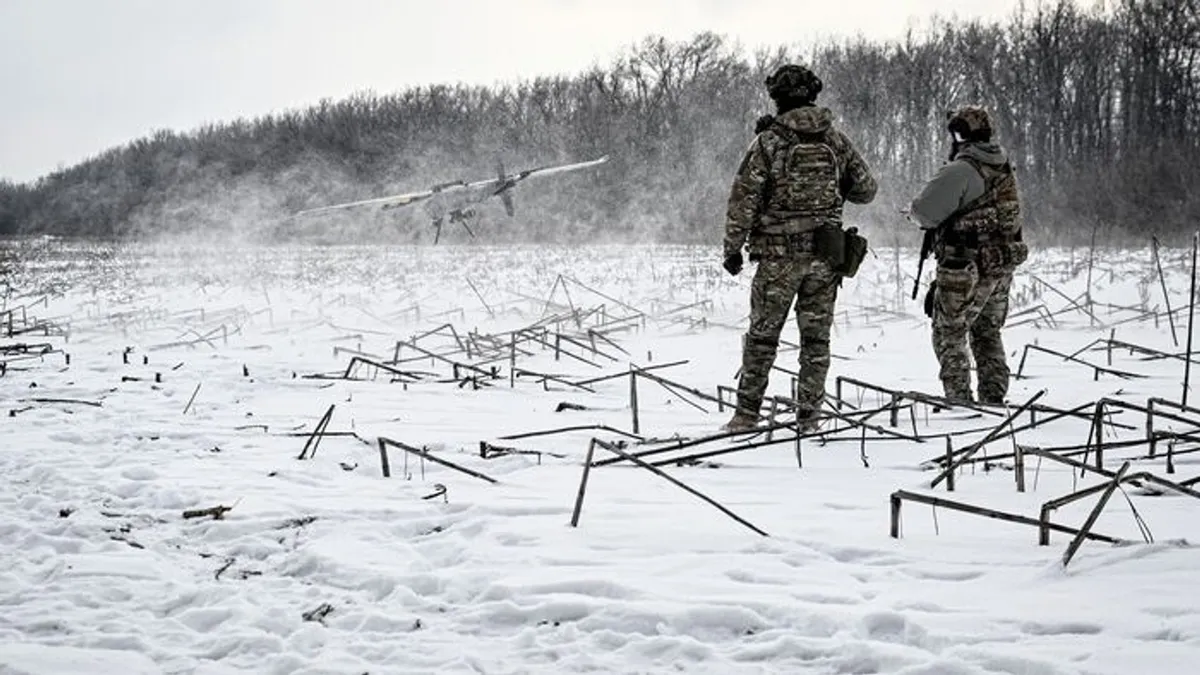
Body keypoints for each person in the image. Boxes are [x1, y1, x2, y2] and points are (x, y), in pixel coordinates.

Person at [721, 64, 878, 432]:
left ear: (776, 98)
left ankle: (746, 416)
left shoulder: (768, 142)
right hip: (825, 257)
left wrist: (732, 247)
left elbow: (743, 198)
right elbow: (867, 190)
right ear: (813, 93)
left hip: (778, 258)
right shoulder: (835, 140)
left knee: (762, 338)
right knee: (816, 341)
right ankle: (809, 417)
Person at [908, 105, 1028, 405]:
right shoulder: (1003, 168)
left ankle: (959, 401)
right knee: (987, 331)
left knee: (949, 332)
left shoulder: (961, 169)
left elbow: (924, 212)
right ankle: (993, 397)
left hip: (965, 263)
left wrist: (911, 215)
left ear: (959, 134)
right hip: (1001, 263)